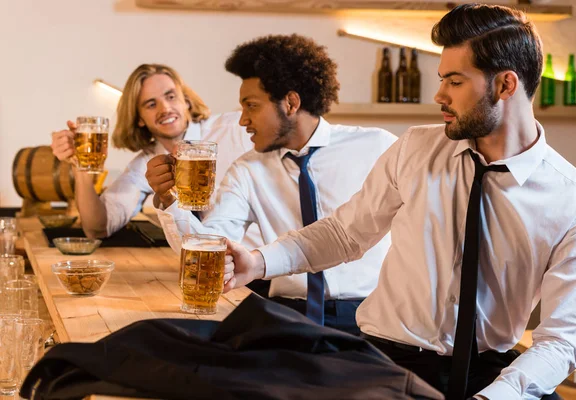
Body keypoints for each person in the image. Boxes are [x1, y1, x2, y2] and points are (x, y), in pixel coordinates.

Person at [223, 4, 576, 400]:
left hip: (492, 376)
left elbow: (560, 341)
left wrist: (495, 397)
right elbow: (344, 234)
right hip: (387, 363)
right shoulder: (415, 149)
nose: (439, 95)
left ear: (506, 85)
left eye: (454, 81)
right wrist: (260, 262)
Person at [146, 34, 397, 335]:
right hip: (286, 316)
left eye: (251, 106)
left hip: (371, 316)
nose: (242, 121)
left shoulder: (378, 147)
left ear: (291, 103)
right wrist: (169, 199)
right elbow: (211, 245)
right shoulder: (247, 169)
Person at [50, 63, 254, 239]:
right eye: (151, 104)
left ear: (186, 101)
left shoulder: (236, 129)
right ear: (139, 118)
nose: (165, 108)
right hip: (208, 270)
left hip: (263, 270)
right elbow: (98, 228)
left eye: (171, 96)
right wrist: (81, 169)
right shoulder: (147, 163)